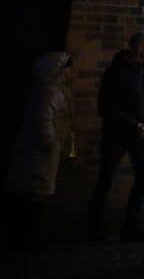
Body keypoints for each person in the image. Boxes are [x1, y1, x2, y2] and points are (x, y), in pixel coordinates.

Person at [88, 32, 144, 241]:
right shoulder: (116, 72)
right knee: (107, 177)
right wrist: (132, 124)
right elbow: (107, 105)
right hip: (117, 133)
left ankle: (131, 224)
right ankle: (95, 225)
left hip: (141, 134)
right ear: (140, 48)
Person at [4, 52, 72, 250]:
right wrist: (51, 142)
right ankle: (26, 237)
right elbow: (44, 120)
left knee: (35, 190)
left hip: (43, 149)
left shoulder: (51, 90)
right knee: (33, 191)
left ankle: (27, 235)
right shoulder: (49, 92)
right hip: (41, 150)